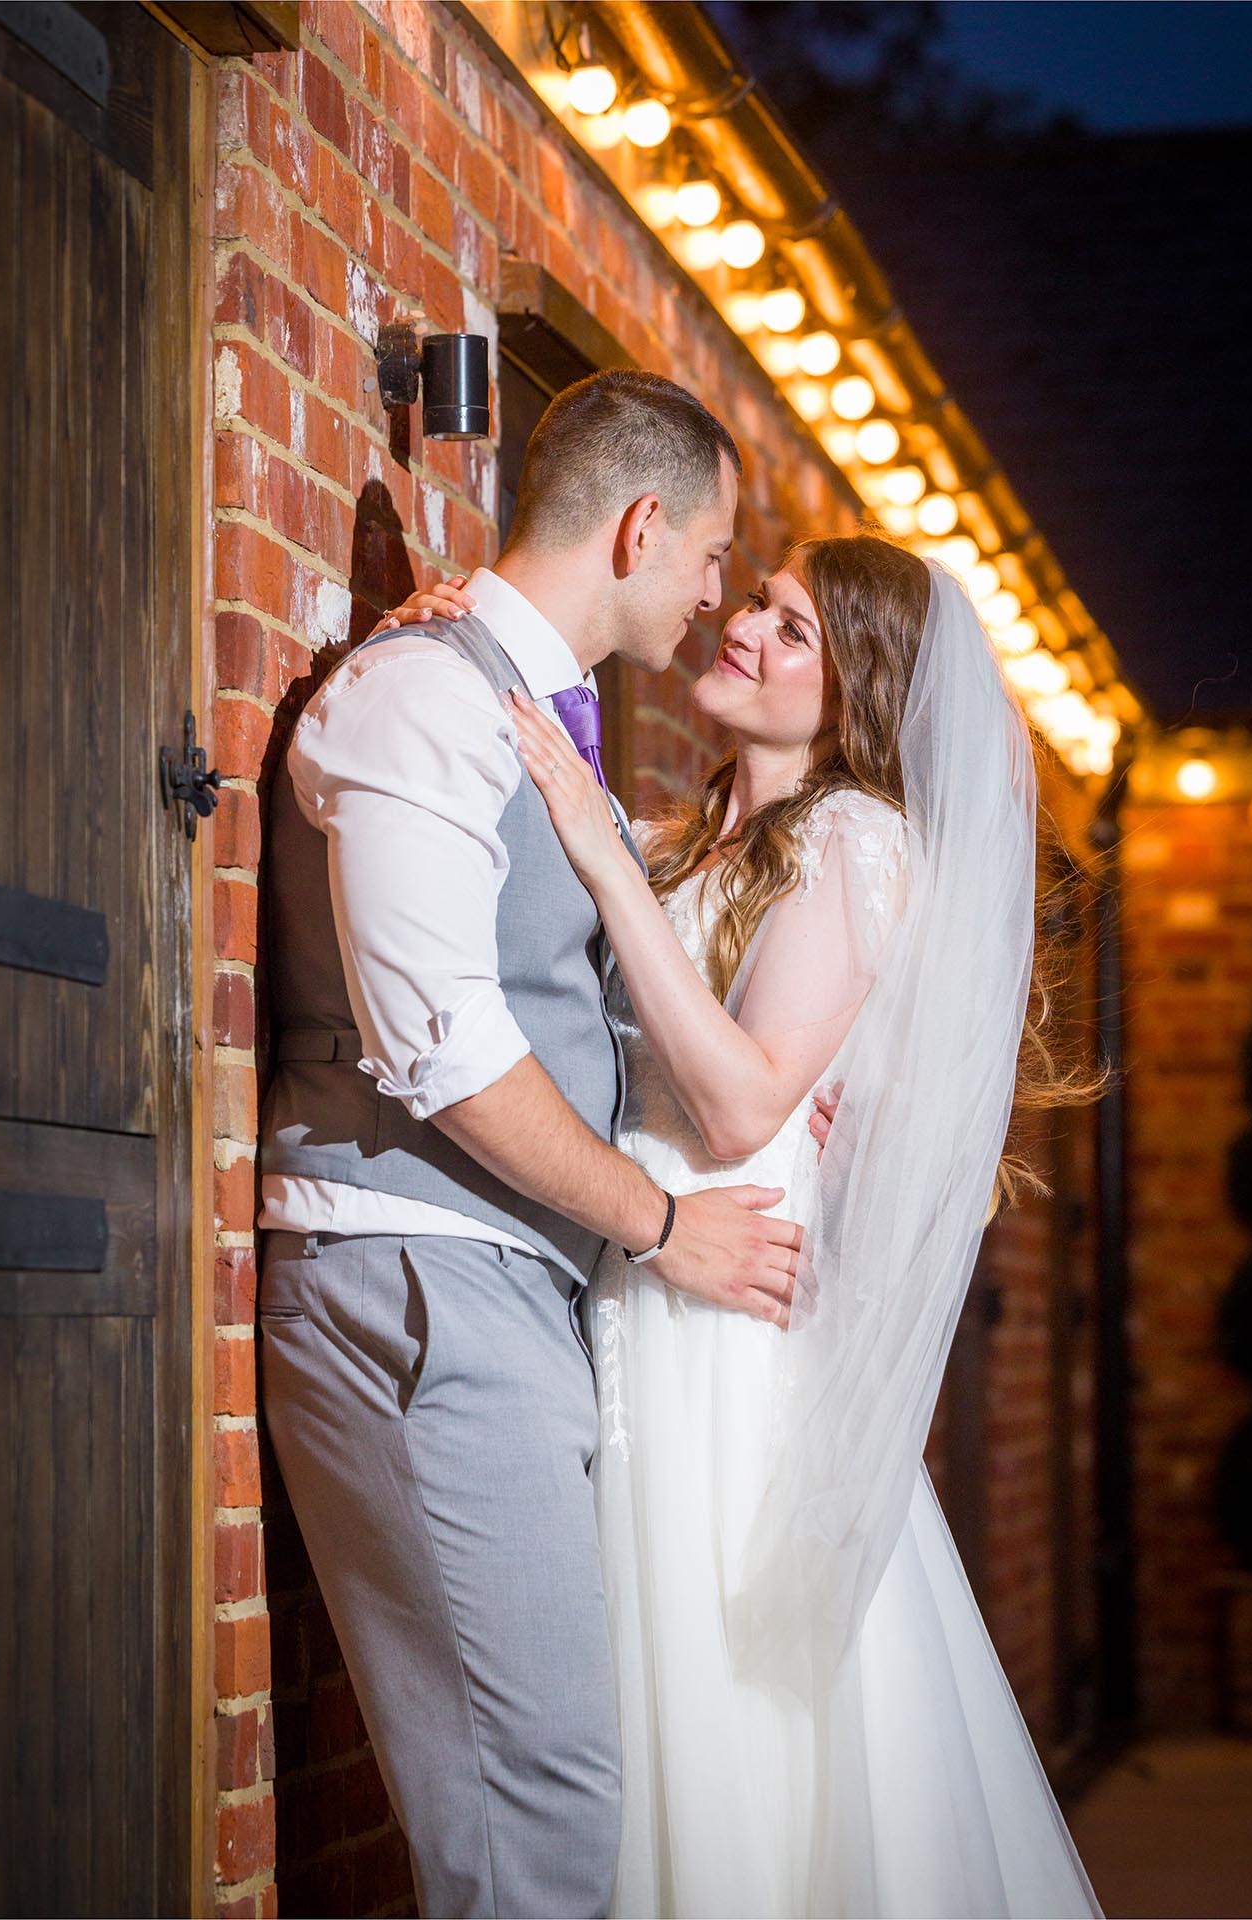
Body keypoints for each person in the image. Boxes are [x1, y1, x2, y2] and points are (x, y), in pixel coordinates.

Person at [415, 532, 1105, 1918]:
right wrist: (456, 630)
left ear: (853, 696)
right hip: (646, 1284)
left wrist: (608, 868)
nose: (746, 629)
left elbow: (736, 1108)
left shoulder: (856, 844)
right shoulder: (689, 834)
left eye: (795, 630)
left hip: (731, 1335)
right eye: (759, 602)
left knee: (727, 1716)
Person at [255, 370, 806, 1920]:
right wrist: (662, 1225)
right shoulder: (424, 695)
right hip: (420, 1286)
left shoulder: (499, 702)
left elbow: (554, 1002)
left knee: (548, 1812)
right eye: (712, 558)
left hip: (494, 1298)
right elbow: (445, 1051)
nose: (713, 597)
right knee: (540, 1825)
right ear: (643, 527)